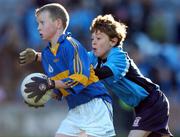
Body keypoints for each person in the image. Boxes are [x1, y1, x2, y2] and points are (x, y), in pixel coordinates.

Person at [19, 3, 115, 137]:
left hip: (95, 103)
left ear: (58, 23)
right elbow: (60, 92)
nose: (38, 27)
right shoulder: (47, 54)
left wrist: (48, 84)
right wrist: (39, 95)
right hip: (75, 109)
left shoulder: (71, 45)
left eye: (42, 22)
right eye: (37, 23)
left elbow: (79, 80)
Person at [88, 14, 173, 137]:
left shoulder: (118, 56)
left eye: (99, 38)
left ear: (113, 41)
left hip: (152, 101)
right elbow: (78, 59)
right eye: (92, 39)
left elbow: (104, 73)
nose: (94, 42)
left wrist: (83, 74)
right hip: (142, 106)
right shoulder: (94, 56)